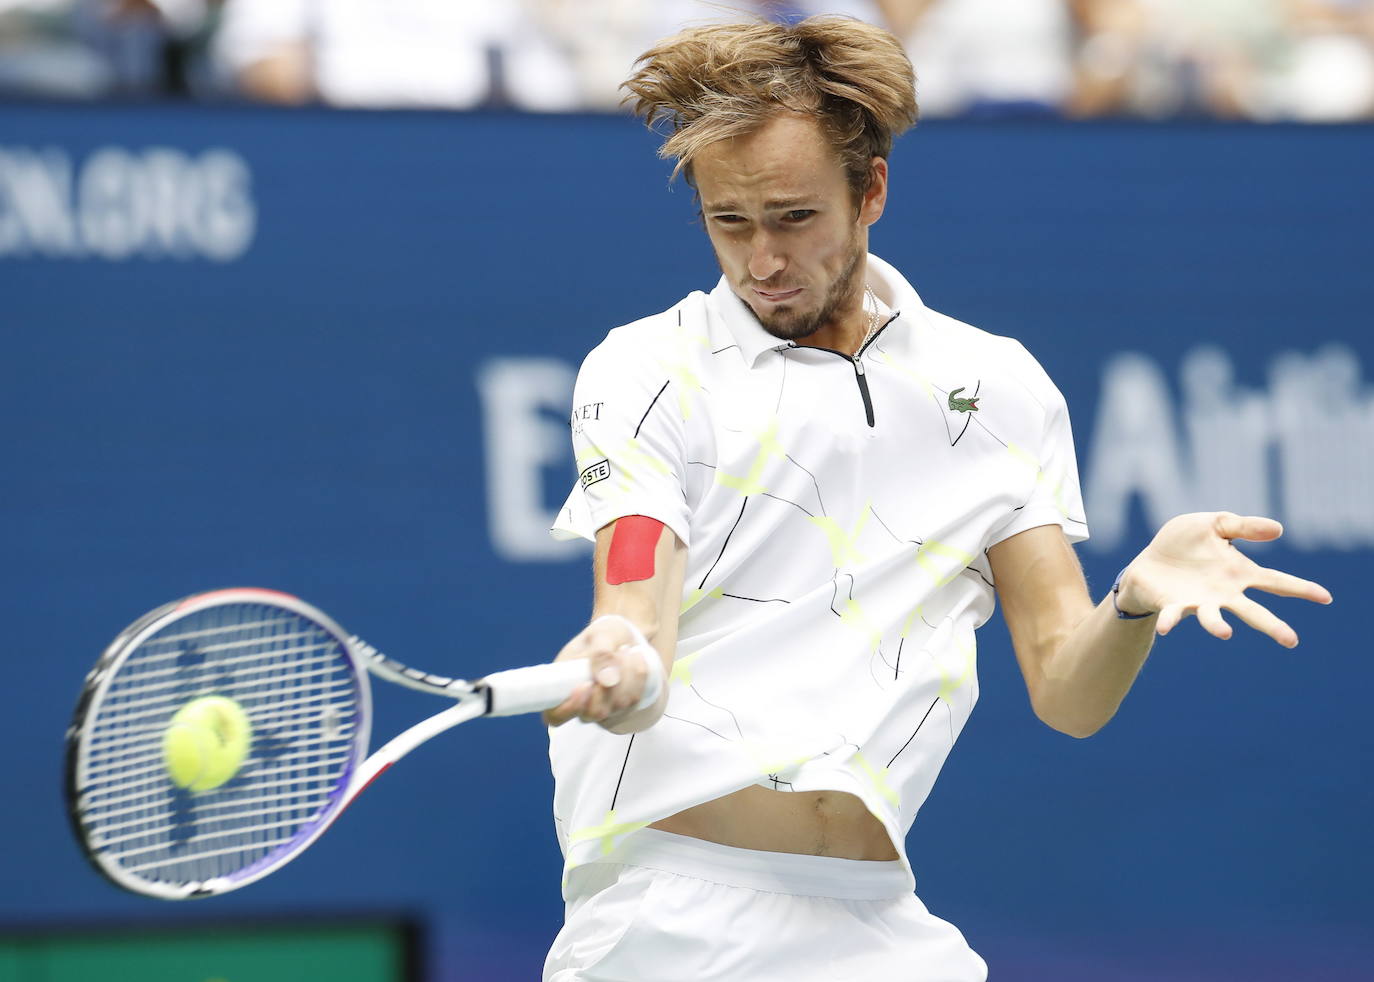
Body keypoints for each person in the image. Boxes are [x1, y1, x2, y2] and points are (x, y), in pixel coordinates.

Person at [540, 16, 1332, 981]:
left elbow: (1068, 694)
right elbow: (634, 589)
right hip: (673, 917)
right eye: (729, 222)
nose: (761, 262)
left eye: (794, 217)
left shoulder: (996, 385)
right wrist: (620, 661)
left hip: (875, 919)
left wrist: (1130, 599)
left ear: (871, 190)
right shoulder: (645, 369)